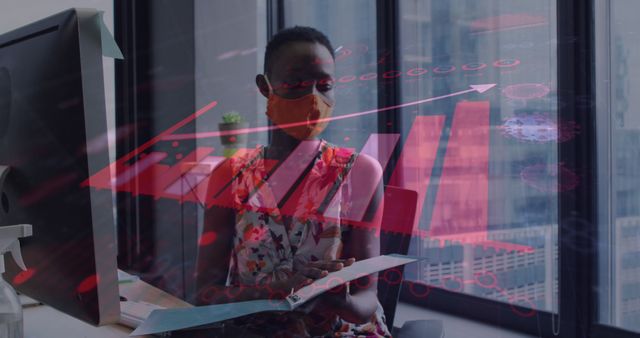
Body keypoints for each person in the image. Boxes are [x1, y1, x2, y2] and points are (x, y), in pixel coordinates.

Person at [196, 26, 389, 337]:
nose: (312, 98)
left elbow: (366, 302)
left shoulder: (360, 173)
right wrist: (277, 291)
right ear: (264, 86)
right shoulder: (230, 175)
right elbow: (205, 294)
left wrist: (340, 300)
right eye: (295, 84)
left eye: (324, 85)